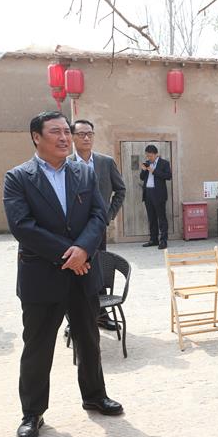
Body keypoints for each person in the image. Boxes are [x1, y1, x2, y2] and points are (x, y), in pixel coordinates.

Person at [4, 111, 122, 437]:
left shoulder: (83, 172)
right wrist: (70, 255)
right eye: (55, 131)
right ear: (36, 137)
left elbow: (98, 214)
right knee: (38, 347)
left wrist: (84, 249)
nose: (65, 138)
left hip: (83, 275)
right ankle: (32, 413)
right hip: (42, 276)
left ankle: (95, 396)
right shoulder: (18, 178)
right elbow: (22, 227)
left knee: (89, 339)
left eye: (66, 132)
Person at [70, 119, 126, 331]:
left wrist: (108, 216)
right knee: (73, 271)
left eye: (89, 134)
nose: (86, 138)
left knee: (98, 269)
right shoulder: (65, 163)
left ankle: (101, 315)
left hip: (97, 228)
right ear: (73, 137)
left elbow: (120, 190)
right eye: (81, 134)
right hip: (72, 230)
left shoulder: (105, 162)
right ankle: (73, 320)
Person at [140, 144, 172, 249]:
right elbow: (141, 178)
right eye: (147, 156)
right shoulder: (147, 163)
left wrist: (153, 171)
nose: (148, 158)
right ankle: (153, 240)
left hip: (159, 194)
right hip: (148, 193)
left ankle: (163, 241)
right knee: (151, 218)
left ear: (156, 154)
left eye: (150, 156)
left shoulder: (164, 163)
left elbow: (168, 176)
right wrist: (144, 169)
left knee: (161, 218)